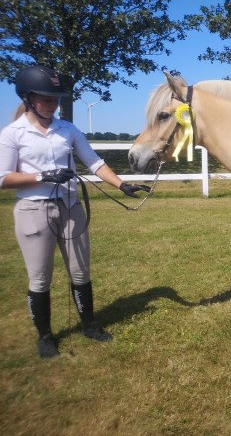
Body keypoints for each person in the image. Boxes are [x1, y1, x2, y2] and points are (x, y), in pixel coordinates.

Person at [0, 65, 149, 358]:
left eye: (56, 99)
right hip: (33, 210)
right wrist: (43, 177)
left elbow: (94, 162)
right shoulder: (13, 134)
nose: (54, 104)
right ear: (28, 98)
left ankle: (89, 325)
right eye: (47, 99)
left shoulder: (67, 130)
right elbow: (3, 177)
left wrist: (122, 185)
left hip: (70, 208)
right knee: (40, 277)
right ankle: (45, 336)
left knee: (81, 271)